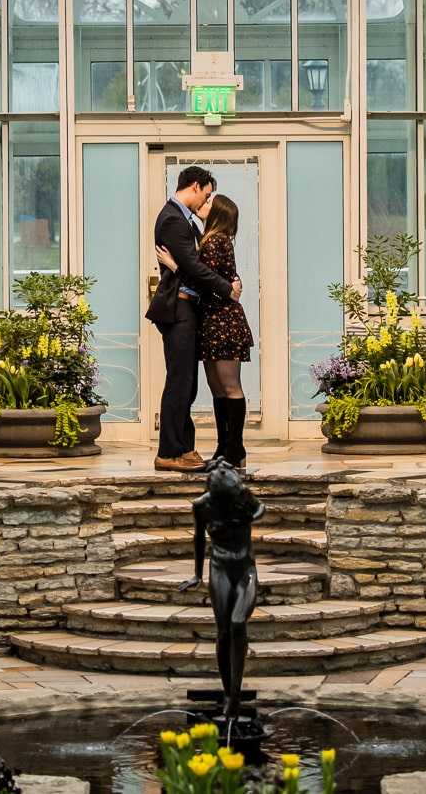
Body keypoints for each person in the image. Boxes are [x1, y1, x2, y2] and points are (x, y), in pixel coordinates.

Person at [146, 166, 240, 472]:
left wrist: (179, 266)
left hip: (188, 308)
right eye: (207, 194)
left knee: (188, 384)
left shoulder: (185, 220)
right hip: (178, 309)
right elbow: (195, 266)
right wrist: (228, 290)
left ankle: (184, 448)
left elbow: (195, 263)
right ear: (195, 186)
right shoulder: (173, 218)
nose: (207, 201)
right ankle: (170, 451)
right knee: (179, 382)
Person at [178, 457, 264, 726]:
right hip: (220, 567)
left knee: (239, 623)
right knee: (224, 630)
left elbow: (261, 508)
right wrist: (196, 574)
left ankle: (235, 695)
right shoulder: (202, 506)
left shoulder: (241, 494)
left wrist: (251, 516)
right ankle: (228, 692)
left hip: (245, 568)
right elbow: (199, 538)